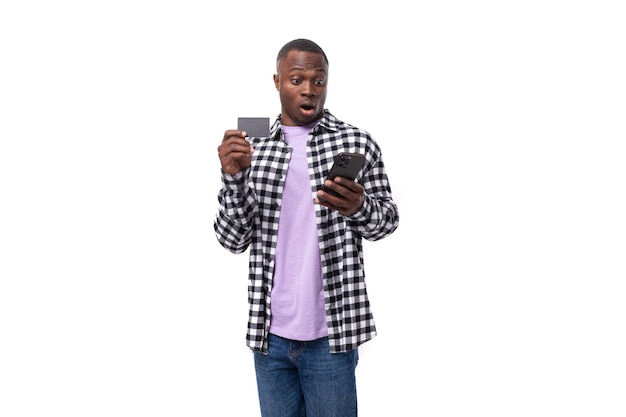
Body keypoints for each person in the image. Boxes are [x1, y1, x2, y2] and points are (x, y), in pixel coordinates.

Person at [214, 38, 399, 417]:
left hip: (332, 333)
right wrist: (232, 178)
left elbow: (387, 222)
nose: (309, 90)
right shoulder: (254, 145)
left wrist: (359, 206)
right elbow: (232, 239)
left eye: (318, 80)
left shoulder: (356, 142)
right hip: (270, 336)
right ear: (277, 81)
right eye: (297, 79)